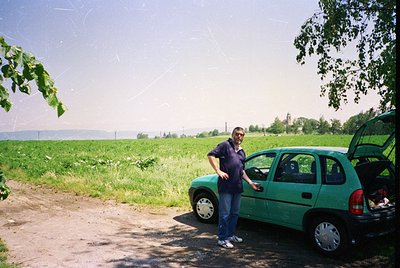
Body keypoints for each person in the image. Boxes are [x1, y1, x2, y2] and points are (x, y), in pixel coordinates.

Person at [207, 127, 259, 249]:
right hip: (226, 187)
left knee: (234, 213)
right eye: (237, 134)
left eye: (241, 135)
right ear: (233, 134)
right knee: (225, 214)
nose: (239, 137)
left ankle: (230, 236)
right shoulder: (225, 145)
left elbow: (242, 171)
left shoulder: (242, 152)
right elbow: (210, 155)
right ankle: (222, 239)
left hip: (237, 187)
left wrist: (251, 183)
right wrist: (218, 170)